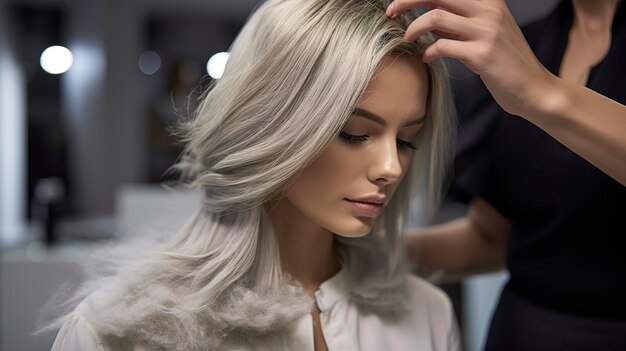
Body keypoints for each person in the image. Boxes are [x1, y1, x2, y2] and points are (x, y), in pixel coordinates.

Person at [43, 0, 462, 350]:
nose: (390, 168)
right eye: (355, 134)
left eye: (408, 140)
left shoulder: (427, 316)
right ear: (271, 125)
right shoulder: (121, 333)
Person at [386, 0, 626, 349]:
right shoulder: (524, 45)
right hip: (519, 332)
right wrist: (373, 256)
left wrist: (539, 89)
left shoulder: (520, 63)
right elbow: (493, 238)